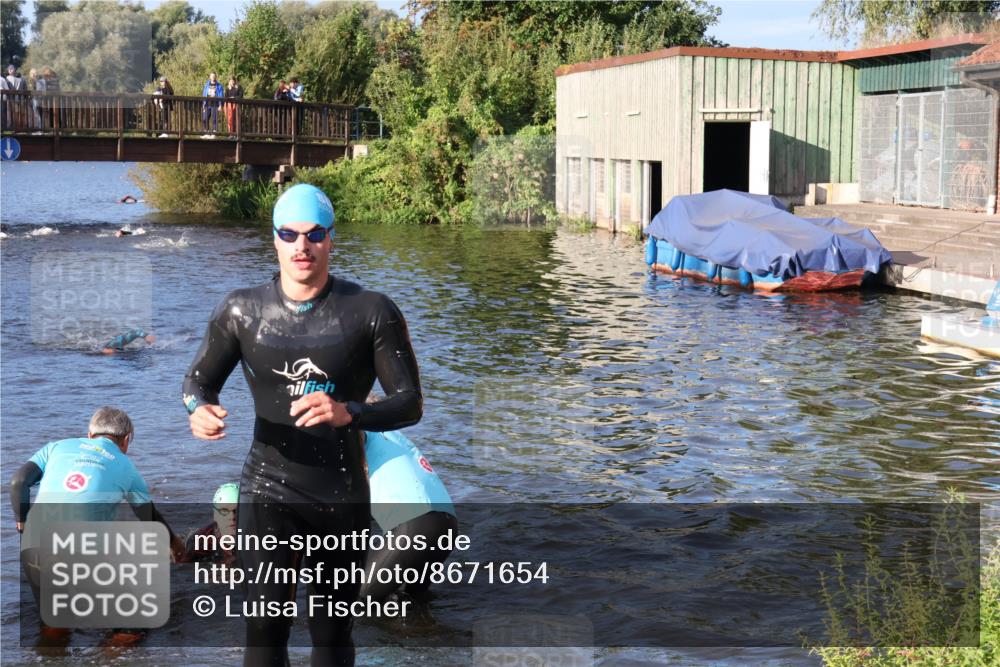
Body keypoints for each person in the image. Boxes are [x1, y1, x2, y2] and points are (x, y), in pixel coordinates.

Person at [183, 183, 423, 666]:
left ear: (332, 238)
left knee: (332, 638)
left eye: (314, 234)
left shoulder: (371, 311)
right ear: (273, 238)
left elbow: (409, 403)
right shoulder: (241, 311)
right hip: (267, 488)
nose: (301, 246)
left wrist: (350, 412)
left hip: (342, 495)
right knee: (265, 631)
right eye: (288, 234)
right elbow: (197, 381)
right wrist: (199, 411)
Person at [9, 407, 186, 640]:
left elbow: (19, 482)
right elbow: (149, 517)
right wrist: (175, 547)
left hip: (34, 545)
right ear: (126, 440)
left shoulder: (55, 447)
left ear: (90, 434)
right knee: (132, 623)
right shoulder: (127, 468)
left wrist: (23, 520)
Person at [359, 430, 457, 601]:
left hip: (415, 525)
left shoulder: (360, 430)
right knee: (409, 601)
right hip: (446, 523)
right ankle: (425, 627)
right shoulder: (391, 433)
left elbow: (355, 435)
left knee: (358, 599)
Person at [201, 72, 223, 137]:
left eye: (214, 76)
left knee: (214, 119)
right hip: (207, 103)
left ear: (216, 77)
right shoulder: (206, 85)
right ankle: (206, 132)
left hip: (215, 104)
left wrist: (220, 105)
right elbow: (204, 94)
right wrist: (203, 103)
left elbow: (221, 95)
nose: (213, 77)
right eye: (212, 76)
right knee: (205, 118)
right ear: (210, 77)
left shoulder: (219, 85)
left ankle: (214, 132)